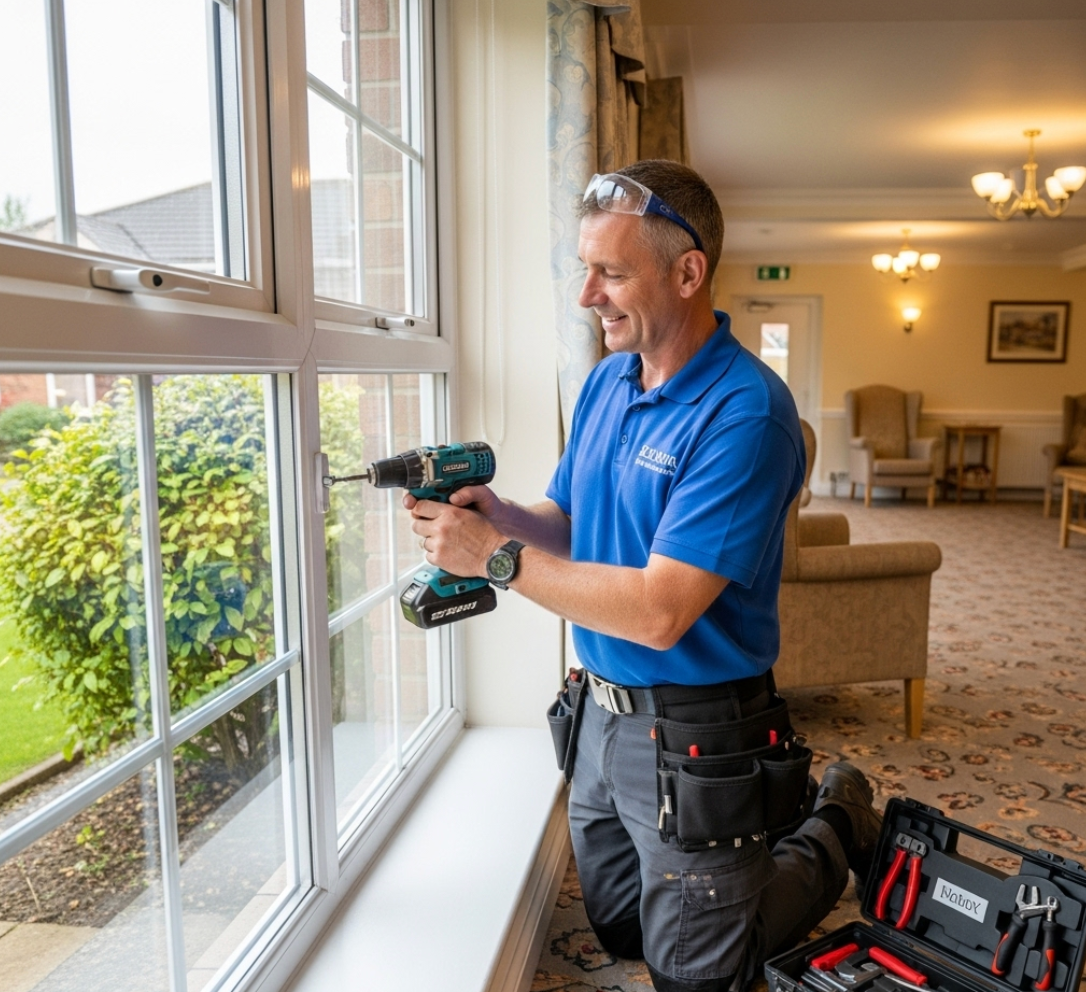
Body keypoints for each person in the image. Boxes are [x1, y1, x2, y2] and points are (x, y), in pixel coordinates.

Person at [407, 160, 882, 992]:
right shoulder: (605, 382)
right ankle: (753, 866)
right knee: (622, 930)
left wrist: (491, 558)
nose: (587, 294)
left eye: (611, 273)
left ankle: (835, 820)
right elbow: (567, 522)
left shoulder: (746, 413)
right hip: (601, 713)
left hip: (702, 730)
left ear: (687, 271)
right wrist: (503, 517)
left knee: (699, 975)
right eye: (583, 269)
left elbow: (662, 613)